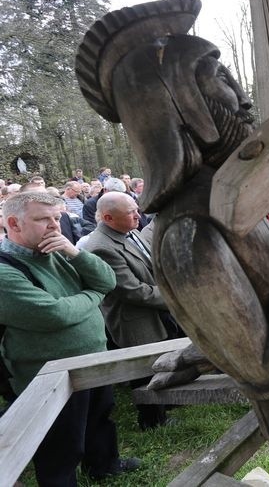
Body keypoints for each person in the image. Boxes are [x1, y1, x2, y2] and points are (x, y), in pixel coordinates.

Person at [0, 192, 140, 483]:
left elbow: (108, 280)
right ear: (13, 223)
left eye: (57, 218)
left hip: (92, 357)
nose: (55, 226)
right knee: (61, 438)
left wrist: (75, 254)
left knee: (100, 417)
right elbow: (54, 314)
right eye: (43, 219)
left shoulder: (58, 252)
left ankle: (104, 465)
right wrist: (92, 295)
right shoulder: (5, 272)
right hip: (47, 372)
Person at [83, 192, 180, 429]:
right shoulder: (100, 247)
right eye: (131, 212)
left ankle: (166, 405)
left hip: (156, 309)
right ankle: (151, 420)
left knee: (162, 357)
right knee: (144, 368)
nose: (139, 215)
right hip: (135, 319)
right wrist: (175, 298)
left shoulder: (129, 231)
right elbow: (132, 291)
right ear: (108, 217)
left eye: (137, 209)